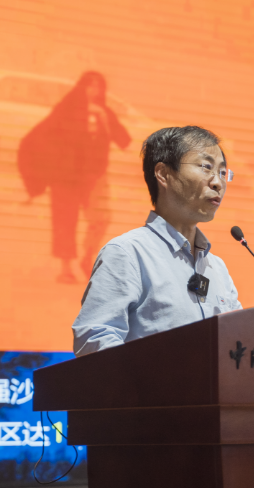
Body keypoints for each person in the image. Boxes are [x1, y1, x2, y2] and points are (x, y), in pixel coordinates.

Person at [71, 126, 243, 356]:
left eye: (223, 172)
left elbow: (238, 342)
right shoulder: (128, 253)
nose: (218, 183)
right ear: (163, 174)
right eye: (206, 167)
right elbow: (94, 338)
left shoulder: (217, 268)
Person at [18, 71, 131, 283]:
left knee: (101, 217)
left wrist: (104, 118)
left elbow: (123, 139)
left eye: (99, 87)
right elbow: (41, 136)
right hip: (66, 176)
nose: (95, 91)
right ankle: (66, 269)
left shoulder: (103, 111)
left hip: (94, 175)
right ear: (82, 87)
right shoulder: (65, 109)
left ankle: (87, 257)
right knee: (65, 221)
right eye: (90, 86)